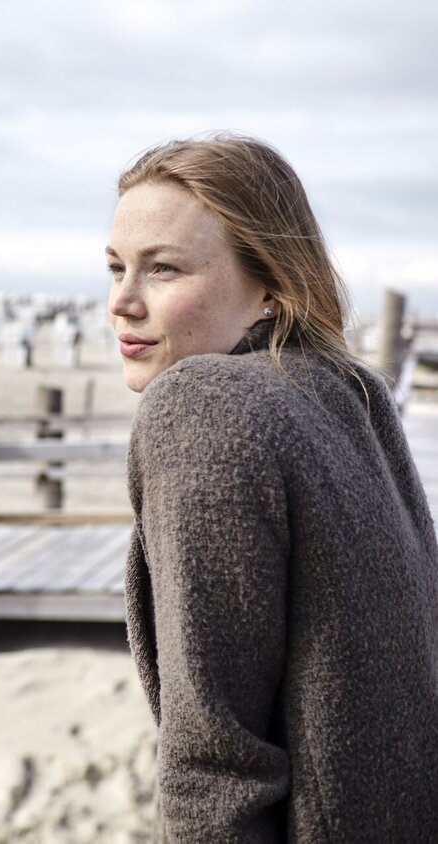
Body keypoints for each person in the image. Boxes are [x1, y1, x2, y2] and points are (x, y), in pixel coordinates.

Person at [106, 134, 438, 841]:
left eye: (162, 269)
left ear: (272, 288)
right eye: (115, 269)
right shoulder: (351, 392)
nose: (122, 303)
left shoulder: (199, 404)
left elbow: (216, 763)